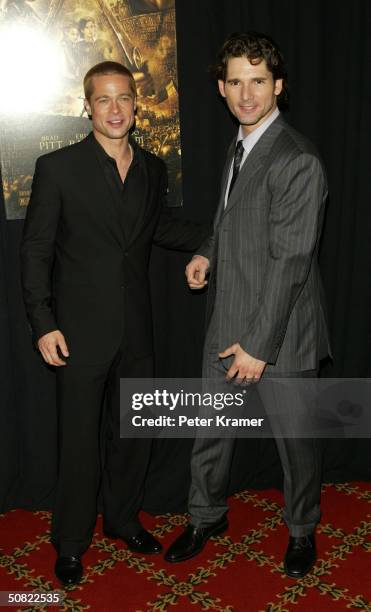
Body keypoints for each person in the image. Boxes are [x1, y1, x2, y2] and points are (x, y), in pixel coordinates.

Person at [20, 61, 206, 586]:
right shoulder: (57, 168)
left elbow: (160, 227)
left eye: (124, 97)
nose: (115, 108)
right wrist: (42, 321)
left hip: (137, 330)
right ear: (87, 107)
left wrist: (219, 237)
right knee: (80, 442)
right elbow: (35, 252)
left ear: (135, 104)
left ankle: (124, 520)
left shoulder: (152, 167)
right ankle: (71, 542)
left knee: (133, 434)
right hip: (76, 333)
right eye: (103, 99)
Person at [164, 31, 330, 579]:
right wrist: (208, 255)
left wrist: (260, 346)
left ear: (278, 85)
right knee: (209, 429)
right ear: (220, 87)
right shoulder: (239, 147)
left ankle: (302, 529)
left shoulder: (297, 158)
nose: (247, 93)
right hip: (228, 313)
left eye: (258, 81)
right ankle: (205, 515)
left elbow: (290, 262)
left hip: (283, 330)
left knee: (297, 444)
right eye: (235, 81)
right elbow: (228, 221)